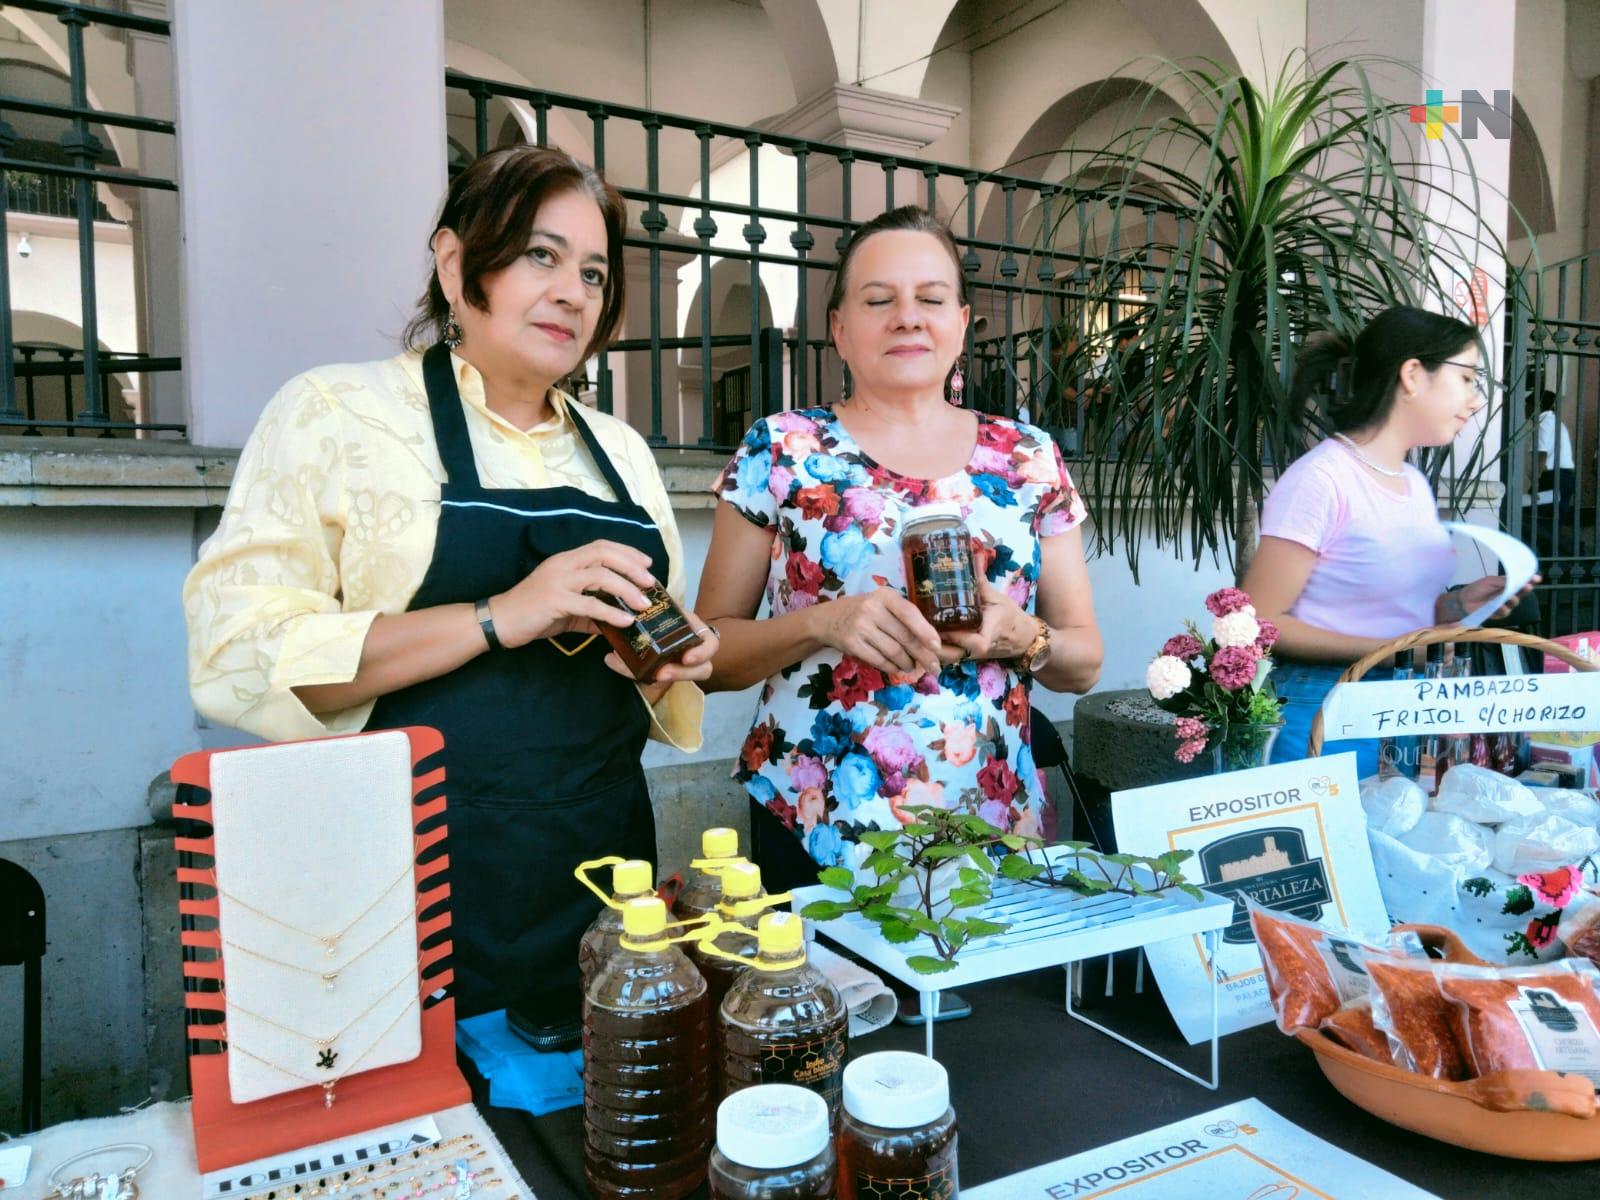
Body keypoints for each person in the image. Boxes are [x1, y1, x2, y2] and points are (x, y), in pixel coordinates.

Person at [184, 146, 717, 1037]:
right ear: (455, 260)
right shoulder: (336, 414)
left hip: (602, 865)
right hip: (404, 883)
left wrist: (665, 664)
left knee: (599, 1094)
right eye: (541, 255)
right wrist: (501, 615)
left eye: (593, 273)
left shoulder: (622, 453)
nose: (573, 293)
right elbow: (242, 656)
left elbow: (655, 670)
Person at [695, 205, 1103, 895]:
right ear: (839, 329)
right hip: (817, 819)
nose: (908, 318)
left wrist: (1020, 636)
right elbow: (708, 655)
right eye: (879, 299)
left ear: (962, 324)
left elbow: (1085, 661)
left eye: (931, 299)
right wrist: (825, 622)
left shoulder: (1027, 457)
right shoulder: (782, 448)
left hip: (992, 817)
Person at [1243, 306, 1536, 776]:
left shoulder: (1413, 484)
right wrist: (1391, 647)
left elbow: (1391, 612)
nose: (1476, 400)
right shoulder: (1321, 480)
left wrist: (1458, 605)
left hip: (1402, 708)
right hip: (1323, 711)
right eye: (1467, 378)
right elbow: (1260, 621)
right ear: (1413, 374)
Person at [1525, 387, 1576, 553]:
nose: (1525, 408)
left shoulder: (1544, 422)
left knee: (1537, 523)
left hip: (1553, 479)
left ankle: (1567, 552)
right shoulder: (1555, 421)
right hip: (1564, 478)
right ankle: (1560, 557)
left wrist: (1535, 483)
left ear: (1537, 405)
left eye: (1527, 404)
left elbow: (1541, 454)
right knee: (1551, 524)